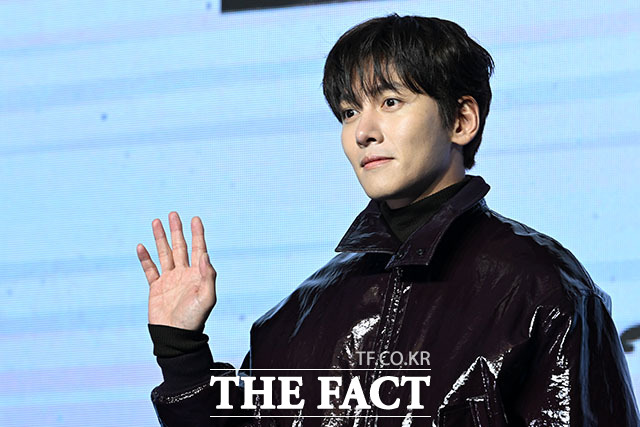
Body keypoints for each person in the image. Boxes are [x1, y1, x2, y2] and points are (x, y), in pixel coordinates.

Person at [137, 15, 640, 426]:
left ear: (461, 120)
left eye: (390, 102)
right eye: (348, 111)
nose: (363, 131)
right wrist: (182, 350)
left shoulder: (543, 290)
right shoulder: (295, 317)